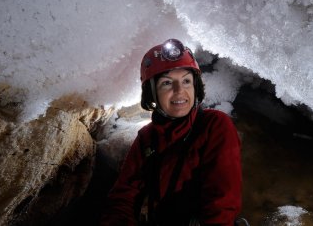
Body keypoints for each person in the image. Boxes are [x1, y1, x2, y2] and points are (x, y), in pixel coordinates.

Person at [100, 39, 242, 226]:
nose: (179, 91)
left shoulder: (214, 125)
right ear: (153, 93)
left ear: (195, 86)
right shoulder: (147, 138)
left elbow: (222, 201)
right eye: (167, 83)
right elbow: (124, 196)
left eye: (186, 81)